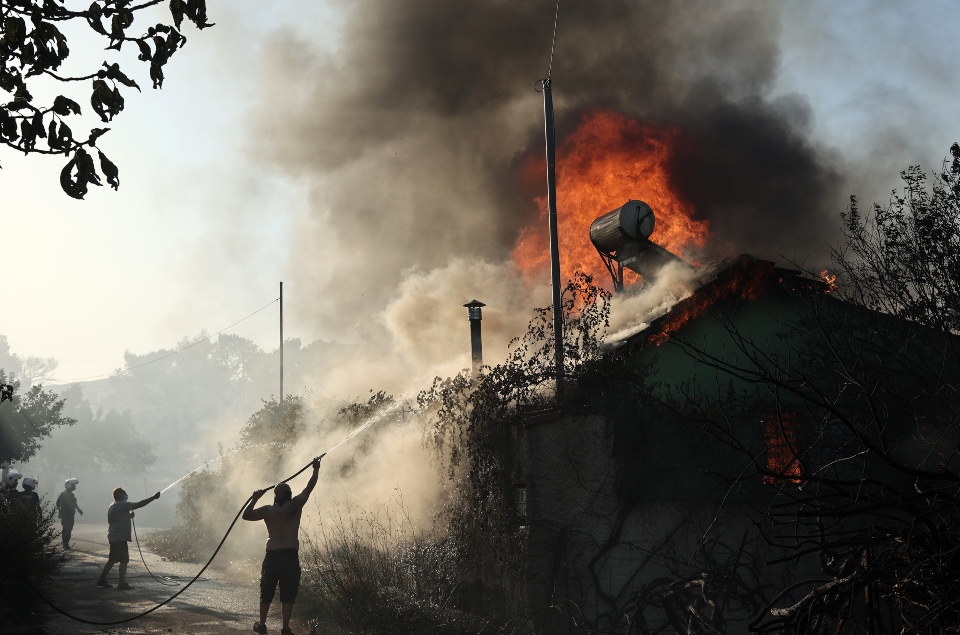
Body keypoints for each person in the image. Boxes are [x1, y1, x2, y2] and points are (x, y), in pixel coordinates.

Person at [243, 455, 323, 635]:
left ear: (275, 496)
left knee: (267, 592)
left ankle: (262, 626)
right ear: (288, 494)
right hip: (289, 556)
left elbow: (246, 514)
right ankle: (285, 628)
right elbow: (310, 486)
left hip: (272, 556)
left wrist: (255, 498)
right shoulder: (296, 505)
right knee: (288, 594)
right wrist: (316, 468)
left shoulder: (267, 510)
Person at [96, 487, 160, 590]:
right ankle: (121, 583)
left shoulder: (113, 505)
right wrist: (153, 497)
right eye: (124, 493)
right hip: (119, 536)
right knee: (124, 560)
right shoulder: (122, 504)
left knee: (112, 560)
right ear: (119, 495)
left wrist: (129, 516)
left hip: (114, 535)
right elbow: (139, 504)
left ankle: (101, 580)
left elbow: (117, 519)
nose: (126, 495)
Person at [55, 478, 84, 549]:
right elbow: (73, 504)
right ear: (69, 485)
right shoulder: (69, 495)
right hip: (68, 515)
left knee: (66, 528)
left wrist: (60, 512)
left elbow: (58, 504)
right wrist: (79, 509)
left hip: (66, 514)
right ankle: (65, 543)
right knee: (68, 529)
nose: (74, 487)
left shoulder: (63, 494)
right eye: (73, 485)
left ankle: (65, 543)